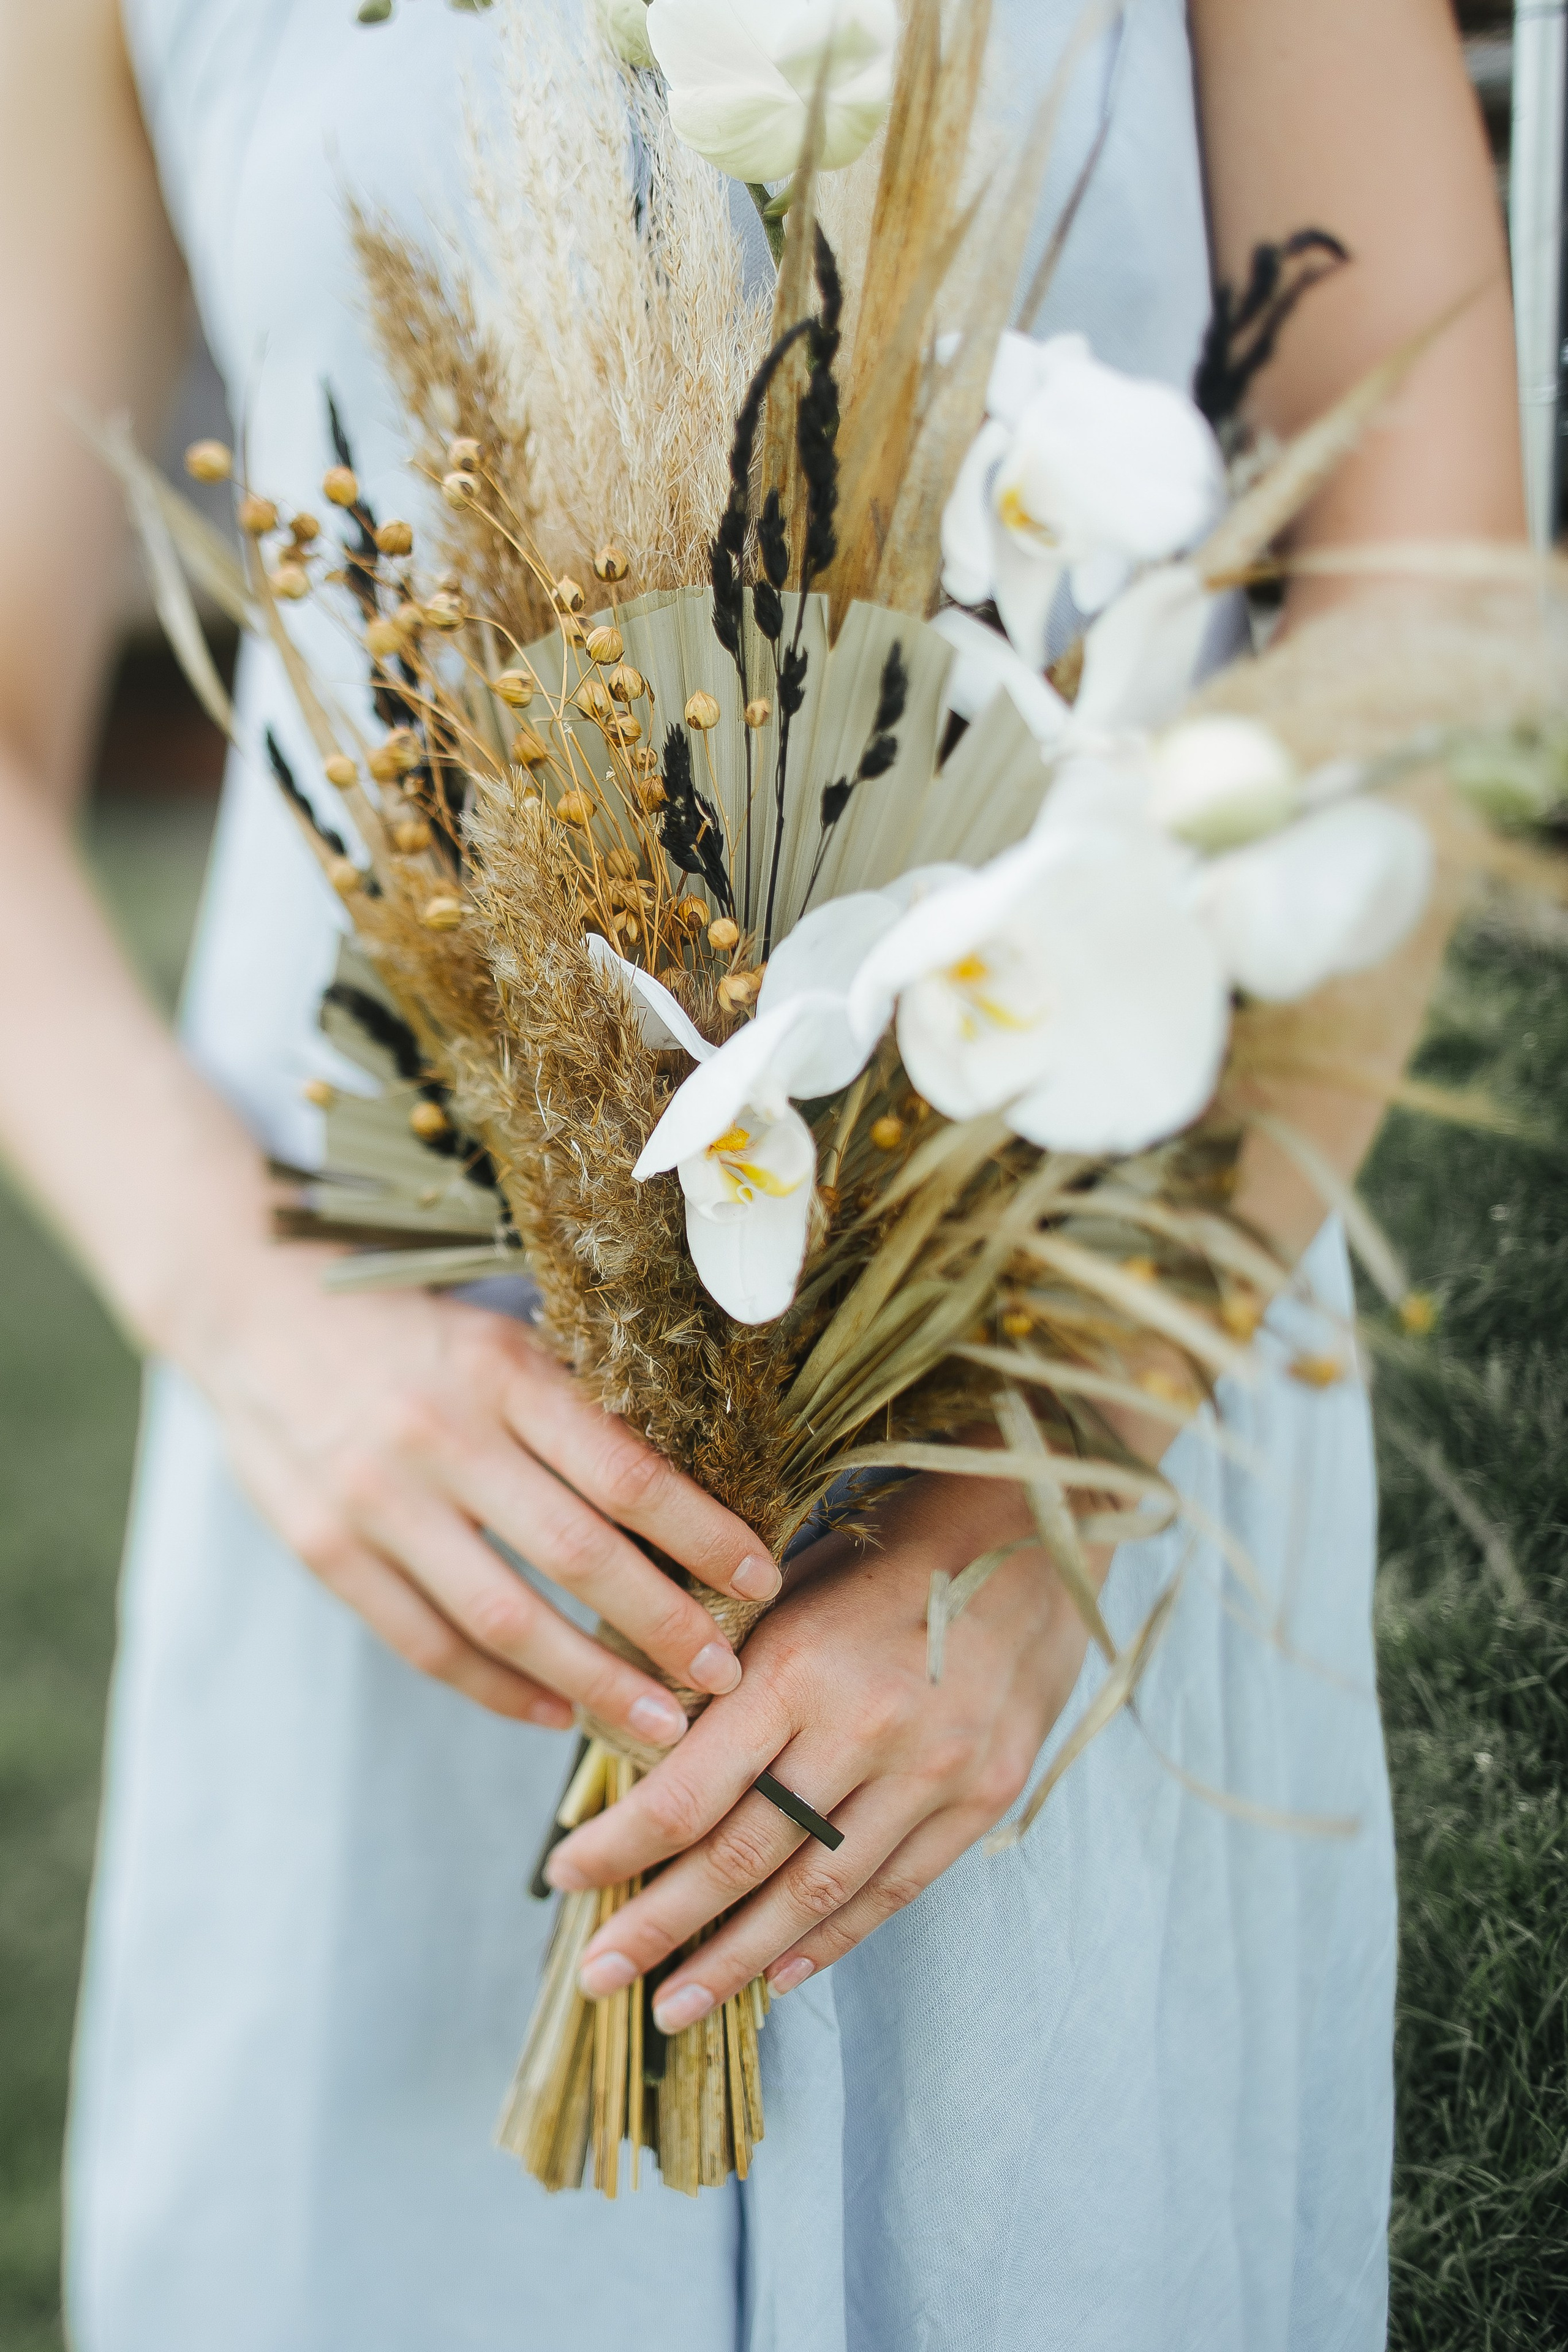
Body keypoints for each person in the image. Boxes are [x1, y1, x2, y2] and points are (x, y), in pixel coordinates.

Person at [0, 1, 1521, 2346]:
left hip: (1068, 1372)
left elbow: (1417, 590)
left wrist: (1053, 1484)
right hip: (430, 1452)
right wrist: (260, 1330)